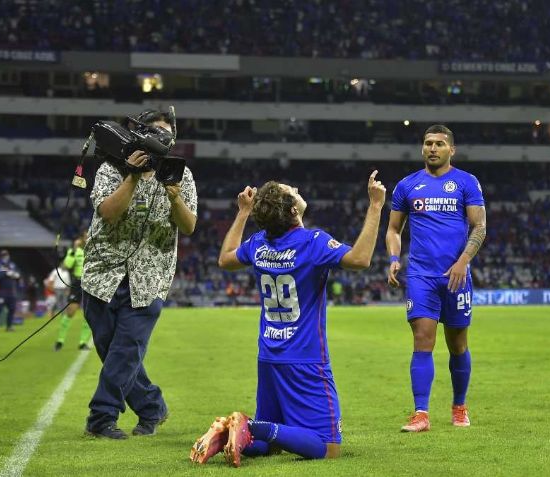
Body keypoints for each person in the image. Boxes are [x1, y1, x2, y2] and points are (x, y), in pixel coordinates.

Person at [190, 171, 386, 467]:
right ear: (294, 210)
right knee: (327, 447)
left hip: (269, 355)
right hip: (305, 360)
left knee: (270, 448)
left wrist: (242, 212)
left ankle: (228, 433)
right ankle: (250, 425)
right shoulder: (313, 242)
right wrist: (375, 206)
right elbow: (360, 260)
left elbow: (225, 259)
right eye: (291, 190)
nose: (296, 187)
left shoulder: (258, 244)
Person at [81, 109, 197, 439]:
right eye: (151, 132)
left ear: (172, 138)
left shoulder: (180, 174)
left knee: (127, 348)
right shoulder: (111, 169)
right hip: (101, 275)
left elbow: (188, 226)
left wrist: (174, 197)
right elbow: (107, 213)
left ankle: (101, 418)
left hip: (150, 278)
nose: (157, 139)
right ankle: (151, 407)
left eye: (163, 133)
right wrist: (132, 175)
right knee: (112, 350)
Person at [385, 124, 486, 432]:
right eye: (428, 143)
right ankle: (421, 413)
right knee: (422, 341)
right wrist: (392, 258)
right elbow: (393, 229)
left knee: (457, 345)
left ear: (451, 149)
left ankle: (459, 406)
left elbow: (479, 227)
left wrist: (463, 262)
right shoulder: (407, 185)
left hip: (456, 276)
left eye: (439, 144)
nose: (432, 148)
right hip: (420, 275)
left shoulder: (466, 182)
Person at [56, 234, 92, 351]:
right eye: (85, 237)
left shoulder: (96, 249)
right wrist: (73, 250)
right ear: (81, 239)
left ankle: (82, 342)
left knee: (89, 315)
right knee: (70, 311)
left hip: (91, 283)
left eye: (89, 236)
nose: (87, 238)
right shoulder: (74, 251)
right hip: (77, 283)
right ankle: (60, 341)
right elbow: (66, 265)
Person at [0, 250, 21, 331]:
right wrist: (5, 273)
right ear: (1, 256)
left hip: (12, 291)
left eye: (7, 255)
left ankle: (9, 326)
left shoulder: (12, 264)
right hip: (1, 291)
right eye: (4, 255)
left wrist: (16, 275)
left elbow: (17, 273)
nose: (6, 257)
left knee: (12, 309)